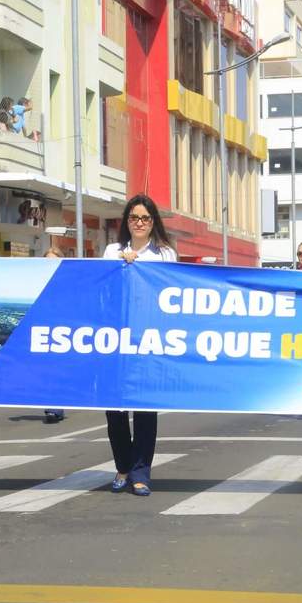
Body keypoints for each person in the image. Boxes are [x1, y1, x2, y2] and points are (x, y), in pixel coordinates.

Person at [102, 194, 177, 497]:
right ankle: (123, 466)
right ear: (127, 221)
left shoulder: (165, 255)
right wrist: (124, 264)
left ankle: (141, 472)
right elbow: (104, 285)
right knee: (115, 408)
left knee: (145, 409)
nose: (140, 223)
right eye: (134, 217)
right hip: (116, 340)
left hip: (150, 340)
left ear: (153, 222)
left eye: (145, 218)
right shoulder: (112, 251)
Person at [41, 247, 66, 424]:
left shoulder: (66, 282)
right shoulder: (37, 282)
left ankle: (55, 408)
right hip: (42, 331)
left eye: (54, 260)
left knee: (56, 370)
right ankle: (52, 405)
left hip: (62, 332)